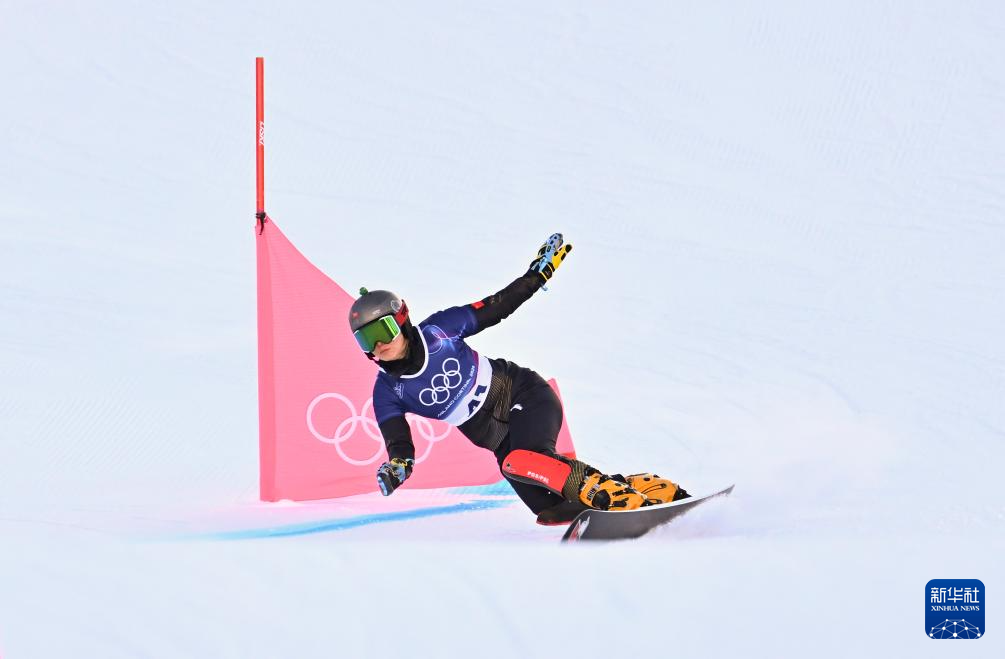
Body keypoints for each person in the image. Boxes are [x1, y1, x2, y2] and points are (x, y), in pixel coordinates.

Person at [348, 233, 689, 525]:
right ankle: (648, 488)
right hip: (500, 442)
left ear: (402, 321)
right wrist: (398, 466)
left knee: (522, 460)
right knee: (550, 510)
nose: (378, 345)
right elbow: (399, 444)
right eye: (366, 340)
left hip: (524, 394)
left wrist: (536, 276)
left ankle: (613, 499)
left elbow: (497, 306)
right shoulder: (387, 392)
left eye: (383, 331)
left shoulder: (440, 331)